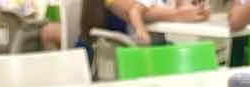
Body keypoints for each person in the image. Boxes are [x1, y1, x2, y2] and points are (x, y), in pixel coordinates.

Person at [80, 0, 210, 49]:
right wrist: (179, 14)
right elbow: (137, 12)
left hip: (145, 50)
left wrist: (194, 9)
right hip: (112, 57)